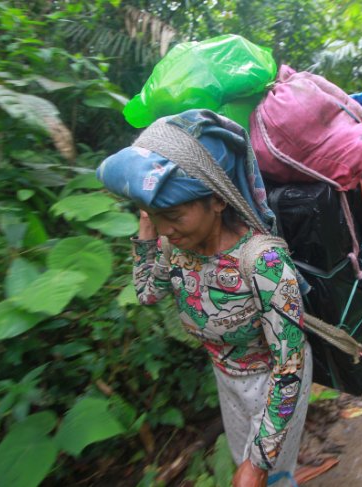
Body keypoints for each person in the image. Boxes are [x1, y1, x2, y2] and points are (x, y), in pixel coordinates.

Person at [97, 109, 312, 487]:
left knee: (270, 476)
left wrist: (260, 462)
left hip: (273, 383)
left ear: (217, 200)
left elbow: (288, 365)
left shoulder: (264, 263)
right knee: (239, 462)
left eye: (174, 214)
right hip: (226, 377)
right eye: (152, 214)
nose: (165, 228)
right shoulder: (173, 246)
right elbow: (147, 294)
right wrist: (147, 231)